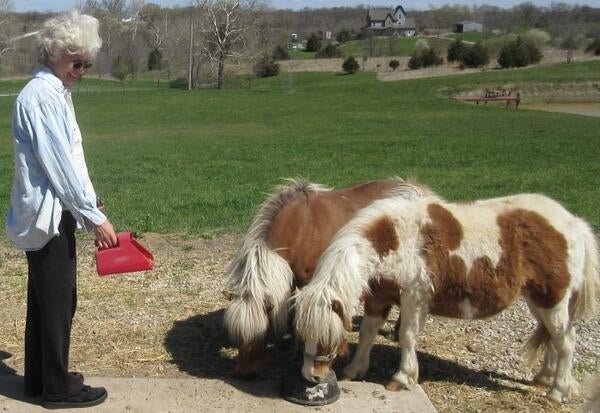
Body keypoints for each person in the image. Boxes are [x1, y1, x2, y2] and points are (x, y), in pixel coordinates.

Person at [5, 10, 117, 409]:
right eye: (75, 60)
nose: (81, 69)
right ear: (53, 53)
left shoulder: (53, 94)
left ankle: (38, 379)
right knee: (58, 302)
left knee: (44, 301)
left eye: (86, 62)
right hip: (48, 217)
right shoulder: (41, 97)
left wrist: (89, 200)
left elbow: (72, 160)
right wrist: (94, 217)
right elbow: (59, 166)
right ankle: (57, 387)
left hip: (50, 214)